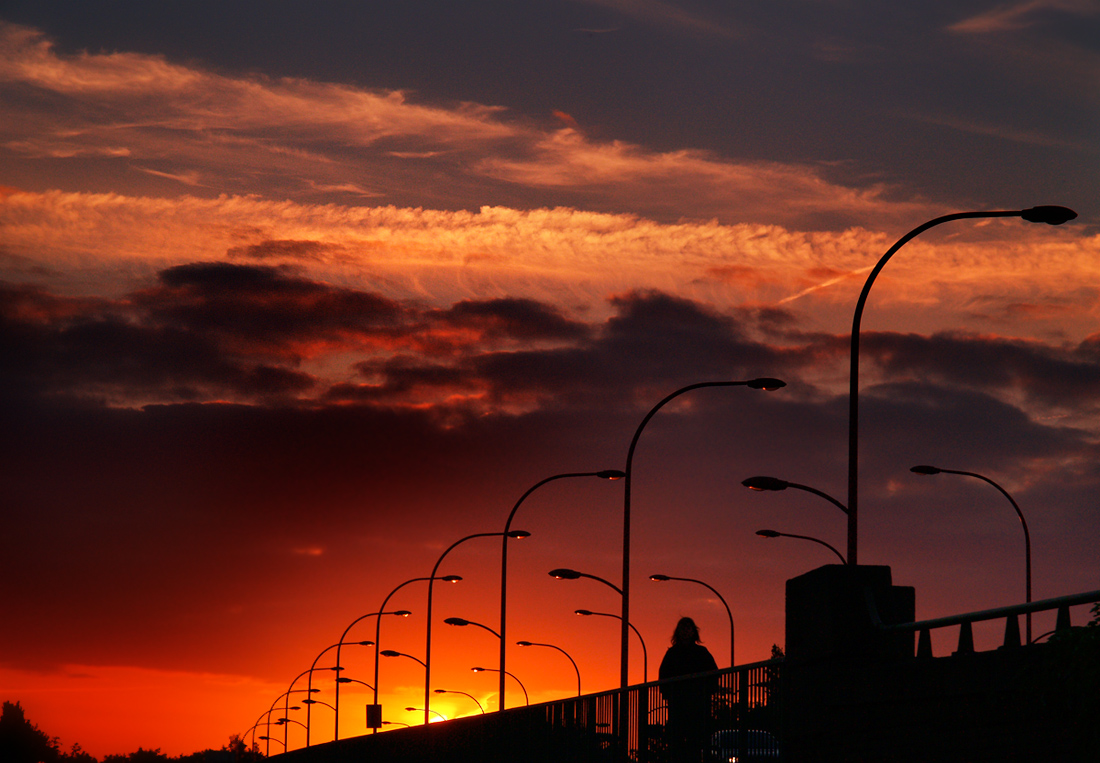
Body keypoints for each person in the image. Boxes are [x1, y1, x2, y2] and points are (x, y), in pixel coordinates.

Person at [659, 617, 718, 763]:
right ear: (678, 632)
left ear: (693, 632)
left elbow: (713, 673)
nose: (685, 632)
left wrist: (708, 691)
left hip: (697, 704)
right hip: (678, 704)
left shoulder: (701, 652)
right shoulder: (672, 654)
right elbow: (663, 676)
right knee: (677, 741)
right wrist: (667, 694)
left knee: (695, 742)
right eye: (683, 629)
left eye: (688, 628)